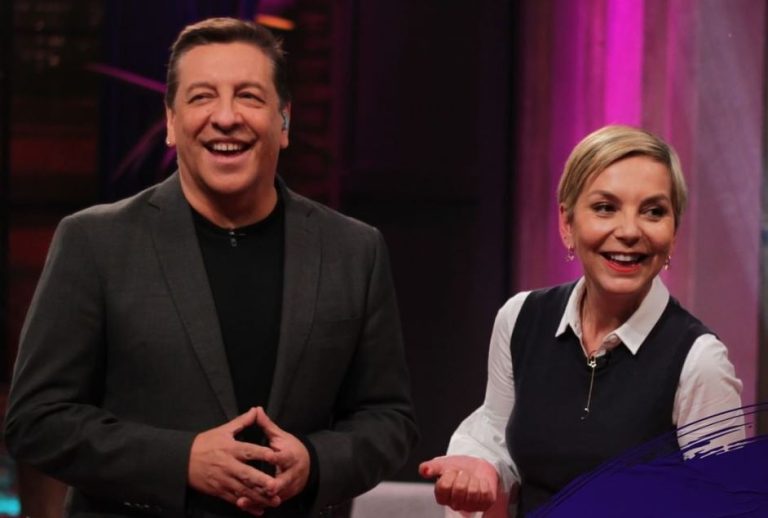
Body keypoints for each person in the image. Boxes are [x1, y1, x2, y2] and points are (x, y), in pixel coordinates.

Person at [4, 17, 417, 518]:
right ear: (171, 122)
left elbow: (388, 420)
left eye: (249, 96)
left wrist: (313, 462)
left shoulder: (354, 249)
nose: (225, 117)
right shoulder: (94, 242)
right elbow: (37, 420)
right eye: (202, 97)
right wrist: (181, 461)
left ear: (284, 121)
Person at [419, 125, 744, 517]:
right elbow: (496, 436)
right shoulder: (520, 319)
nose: (629, 231)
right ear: (567, 223)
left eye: (654, 211)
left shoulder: (699, 361)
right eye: (605, 207)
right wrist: (484, 465)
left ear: (673, 233)